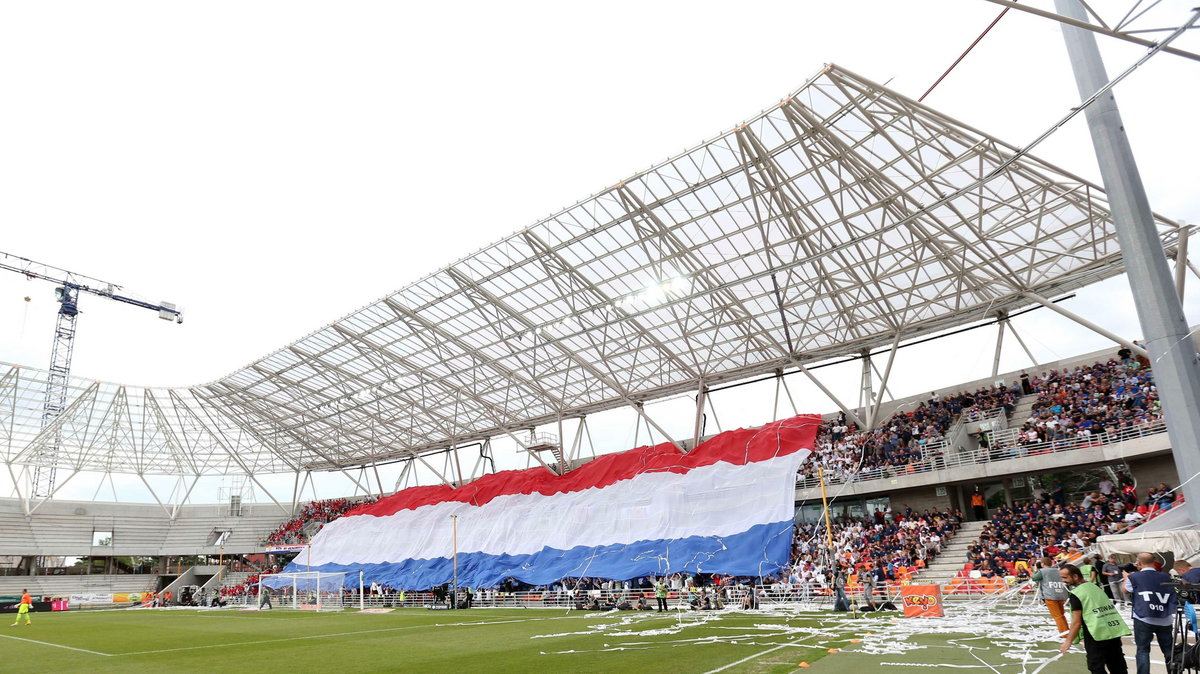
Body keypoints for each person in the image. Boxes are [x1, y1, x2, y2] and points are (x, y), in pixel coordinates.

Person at [1059, 563, 1131, 673]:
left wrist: (1068, 641)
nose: (1063, 580)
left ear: (1075, 576)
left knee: (1095, 666)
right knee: (1116, 663)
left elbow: (1076, 622)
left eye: (1065, 577)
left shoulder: (1077, 593)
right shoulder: (1094, 587)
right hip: (1112, 630)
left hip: (1096, 633)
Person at [1123, 553, 1176, 674]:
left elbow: (1125, 590)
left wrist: (1126, 577)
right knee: (1168, 650)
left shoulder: (1134, 577)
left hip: (1143, 617)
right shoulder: (1166, 576)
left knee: (1143, 650)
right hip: (1164, 617)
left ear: (1139, 563)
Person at [1032, 557, 1070, 637]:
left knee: (1057, 616)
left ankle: (1064, 633)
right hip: (1060, 594)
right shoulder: (1058, 570)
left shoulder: (1042, 571)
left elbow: (1034, 578)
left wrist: (1036, 570)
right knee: (1061, 615)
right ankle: (1066, 630)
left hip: (1050, 595)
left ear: (1042, 564)